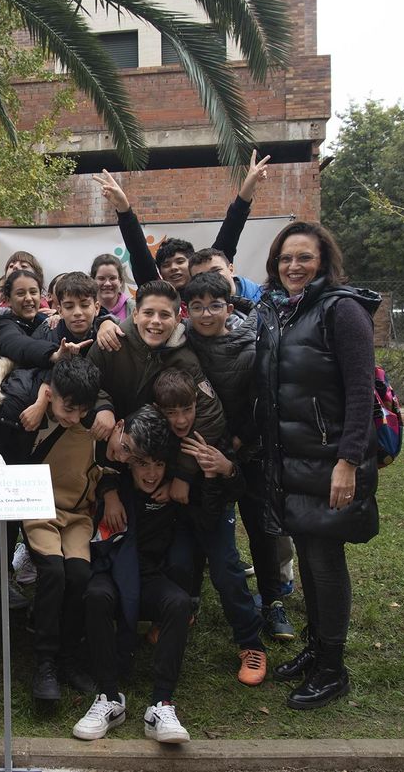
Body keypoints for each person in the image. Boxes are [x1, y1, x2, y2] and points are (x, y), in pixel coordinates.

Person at [255, 221, 381, 710]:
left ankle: (333, 668)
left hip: (330, 461)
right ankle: (316, 646)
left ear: (323, 261)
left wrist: (348, 460)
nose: (293, 266)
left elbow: (359, 392)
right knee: (308, 555)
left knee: (325, 561)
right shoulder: (284, 312)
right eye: (286, 258)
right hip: (294, 460)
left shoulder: (342, 310)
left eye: (303, 257)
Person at [182, 272, 295, 641]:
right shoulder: (183, 343)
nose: (206, 314)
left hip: (249, 449)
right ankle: (190, 599)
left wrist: (235, 444)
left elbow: (263, 404)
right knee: (202, 523)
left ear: (228, 308)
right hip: (205, 451)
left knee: (261, 529)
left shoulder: (251, 347)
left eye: (215, 306)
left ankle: (273, 603)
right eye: (197, 307)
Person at [75, 406, 191, 744]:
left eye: (158, 464)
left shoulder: (172, 489)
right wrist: (110, 493)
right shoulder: (115, 477)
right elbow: (102, 475)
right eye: (142, 463)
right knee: (96, 595)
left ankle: (161, 703)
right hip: (111, 569)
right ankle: (108, 696)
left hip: (150, 576)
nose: (151, 473)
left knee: (179, 603)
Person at [150, 369, 268, 687]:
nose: (180, 420)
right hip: (183, 516)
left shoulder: (213, 434)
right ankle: (181, 611)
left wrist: (223, 471)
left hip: (215, 512)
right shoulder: (160, 436)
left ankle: (251, 644)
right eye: (171, 412)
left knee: (226, 571)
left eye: (186, 410)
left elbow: (237, 489)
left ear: (196, 406)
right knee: (176, 563)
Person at [6, 357, 106, 701]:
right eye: (68, 407)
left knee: (79, 575)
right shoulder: (30, 416)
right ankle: (45, 662)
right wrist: (38, 403)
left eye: (82, 410)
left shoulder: (95, 423)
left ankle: (68, 657)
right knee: (53, 572)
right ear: (51, 393)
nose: (74, 416)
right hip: (37, 509)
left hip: (76, 515)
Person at [92, 150, 270, 299]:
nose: (174, 268)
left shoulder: (213, 285)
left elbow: (230, 231)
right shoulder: (158, 292)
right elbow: (139, 252)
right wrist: (124, 209)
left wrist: (248, 189)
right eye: (167, 265)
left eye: (180, 261)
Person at [86, 280, 225, 457]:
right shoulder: (111, 341)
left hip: (153, 457)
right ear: (136, 314)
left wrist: (182, 473)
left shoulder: (185, 360)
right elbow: (84, 382)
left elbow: (211, 415)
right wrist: (102, 407)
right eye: (148, 313)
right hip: (99, 444)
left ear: (177, 319)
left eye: (165, 315)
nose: (156, 321)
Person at [91, 253, 133, 321]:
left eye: (112, 278)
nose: (107, 283)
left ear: (121, 281)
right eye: (101, 278)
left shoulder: (134, 309)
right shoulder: (86, 309)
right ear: (93, 281)